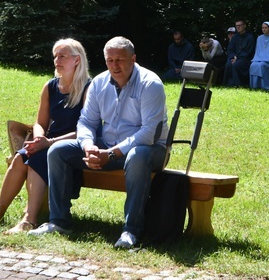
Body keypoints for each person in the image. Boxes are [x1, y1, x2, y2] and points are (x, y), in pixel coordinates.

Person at [28, 37, 169, 250]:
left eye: (120, 60)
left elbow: (148, 133)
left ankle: (131, 230)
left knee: (136, 156)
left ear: (133, 59)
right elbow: (86, 122)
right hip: (107, 146)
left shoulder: (151, 84)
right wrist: (88, 146)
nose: (114, 65)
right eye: (109, 60)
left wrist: (111, 154)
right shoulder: (99, 83)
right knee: (57, 150)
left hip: (150, 150)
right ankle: (59, 222)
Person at [0, 39, 91, 234]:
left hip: (73, 144)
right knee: (20, 158)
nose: (56, 60)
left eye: (62, 56)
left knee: (36, 158)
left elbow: (87, 130)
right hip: (47, 142)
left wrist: (48, 143)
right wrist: (38, 139)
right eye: (55, 56)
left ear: (77, 60)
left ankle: (29, 219)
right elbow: (40, 123)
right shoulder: (50, 86)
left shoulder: (89, 88)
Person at [249, 21, 269, 90]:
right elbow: (258, 50)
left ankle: (265, 86)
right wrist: (260, 57)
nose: (264, 29)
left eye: (265, 28)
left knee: (261, 65)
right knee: (253, 65)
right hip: (259, 58)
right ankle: (255, 86)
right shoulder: (259, 38)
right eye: (262, 28)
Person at [224, 20, 256, 87]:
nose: (238, 27)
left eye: (240, 25)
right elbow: (230, 49)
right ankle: (228, 84)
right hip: (234, 58)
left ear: (244, 26)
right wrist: (234, 56)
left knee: (237, 65)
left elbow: (248, 51)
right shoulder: (235, 37)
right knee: (228, 64)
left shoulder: (250, 37)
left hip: (245, 59)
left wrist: (237, 58)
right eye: (237, 26)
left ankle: (238, 84)